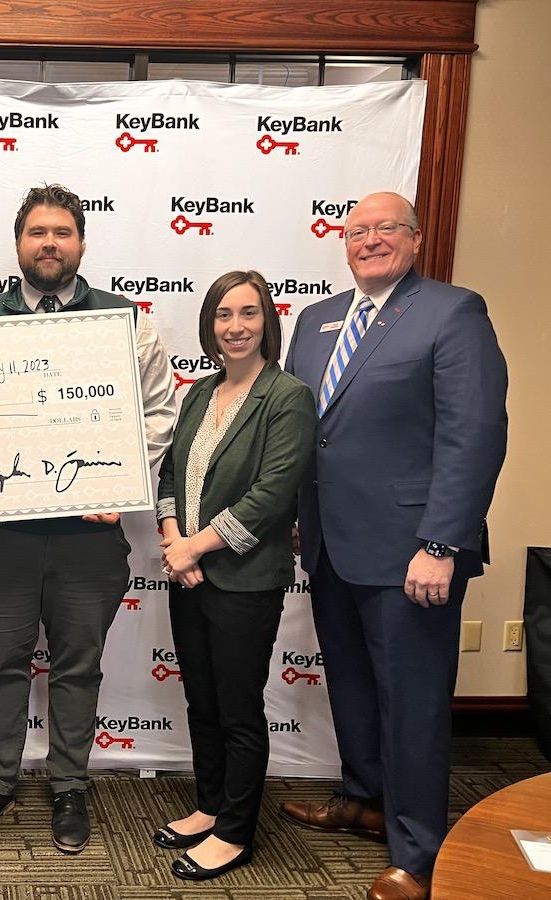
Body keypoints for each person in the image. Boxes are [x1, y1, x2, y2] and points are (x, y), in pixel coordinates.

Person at [282, 192, 507, 900]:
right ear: (342, 243)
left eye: (387, 229)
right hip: (328, 545)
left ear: (416, 238)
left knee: (412, 702)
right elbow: (299, 433)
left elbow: (474, 436)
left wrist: (442, 541)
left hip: (412, 550)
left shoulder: (453, 311)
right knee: (351, 686)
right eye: (358, 231)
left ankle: (419, 853)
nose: (371, 240)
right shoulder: (316, 323)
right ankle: (362, 799)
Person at [0, 184, 175, 853]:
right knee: (1, 663)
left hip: (89, 535)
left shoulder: (126, 321)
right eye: (37, 233)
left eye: (63, 232)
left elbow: (158, 415)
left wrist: (121, 484)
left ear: (81, 242)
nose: (50, 243)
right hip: (3, 539)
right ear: (18, 243)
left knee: (79, 665)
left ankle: (71, 785)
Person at [151, 271, 316, 880]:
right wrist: (174, 542)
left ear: (268, 322)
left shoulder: (287, 396)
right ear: (210, 325)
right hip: (188, 573)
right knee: (201, 699)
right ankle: (211, 804)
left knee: (239, 707)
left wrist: (196, 547)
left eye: (249, 314)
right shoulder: (198, 394)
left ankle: (236, 831)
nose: (236, 327)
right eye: (224, 314)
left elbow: (272, 495)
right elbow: (169, 475)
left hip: (246, 579)